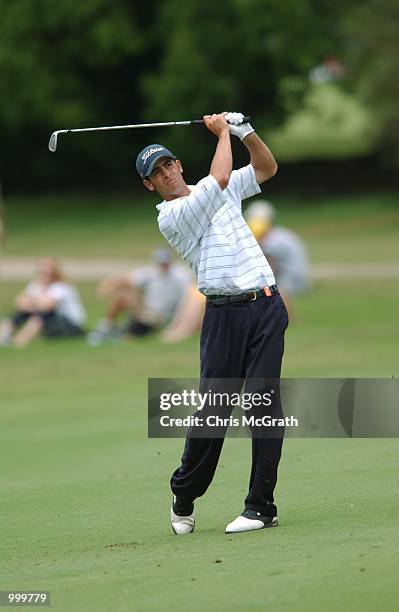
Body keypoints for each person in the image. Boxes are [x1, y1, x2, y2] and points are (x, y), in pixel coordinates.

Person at [136, 112, 289, 535]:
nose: (166, 174)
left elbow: (265, 168)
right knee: (214, 412)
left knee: (264, 405)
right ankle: (184, 494)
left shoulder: (216, 190)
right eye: (156, 173)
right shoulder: (172, 216)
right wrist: (223, 132)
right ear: (149, 185)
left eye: (169, 164)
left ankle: (261, 506)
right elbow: (219, 179)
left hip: (266, 305)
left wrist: (246, 132)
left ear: (179, 165)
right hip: (223, 314)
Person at [87, 248, 191, 345]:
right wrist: (107, 287)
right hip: (147, 312)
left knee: (134, 328)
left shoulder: (179, 276)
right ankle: (106, 327)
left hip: (162, 317)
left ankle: (113, 332)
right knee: (124, 295)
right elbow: (127, 280)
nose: (162, 266)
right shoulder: (152, 273)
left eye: (164, 263)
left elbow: (188, 298)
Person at [245, 200, 310, 318]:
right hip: (294, 274)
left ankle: (287, 316)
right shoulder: (280, 234)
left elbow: (271, 267)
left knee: (272, 287)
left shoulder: (273, 240)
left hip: (292, 277)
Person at [0, 258, 86, 347]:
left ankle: (19, 342)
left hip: (70, 323)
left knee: (39, 317)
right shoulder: (36, 285)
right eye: (42, 273)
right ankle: (3, 338)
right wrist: (34, 304)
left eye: (48, 273)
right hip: (51, 319)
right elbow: (20, 302)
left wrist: (31, 303)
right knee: (19, 314)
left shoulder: (61, 287)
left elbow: (47, 306)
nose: (44, 276)